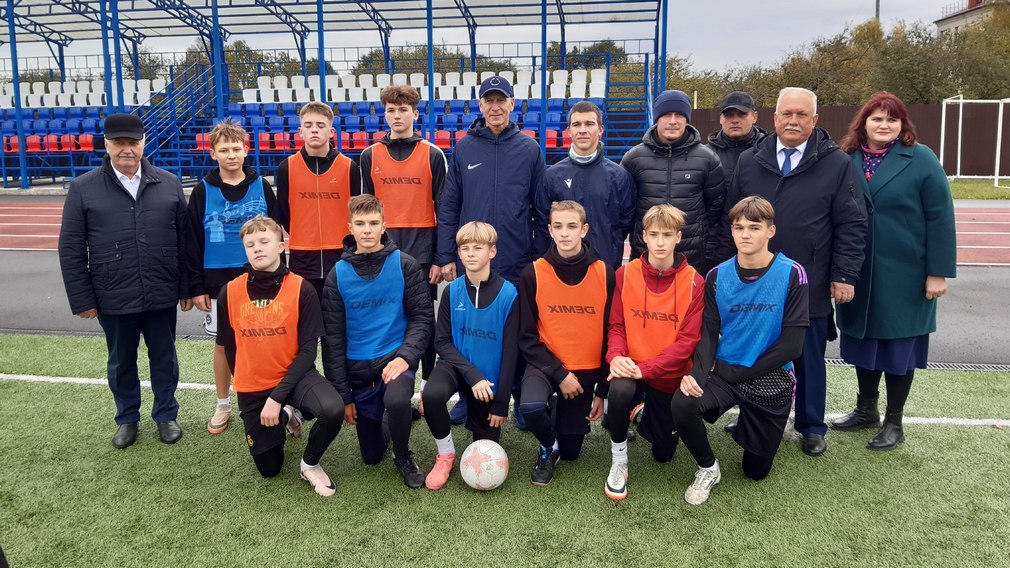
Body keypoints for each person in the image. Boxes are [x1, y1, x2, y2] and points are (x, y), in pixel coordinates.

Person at [722, 87, 867, 457]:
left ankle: (811, 426)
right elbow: (733, 217)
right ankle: (754, 418)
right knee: (757, 349)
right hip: (756, 280)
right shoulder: (751, 161)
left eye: (802, 114)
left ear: (814, 120)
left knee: (808, 354)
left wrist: (844, 274)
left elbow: (852, 222)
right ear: (774, 118)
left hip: (810, 278)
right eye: (787, 113)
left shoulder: (836, 164)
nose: (793, 120)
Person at [832, 92, 957, 450]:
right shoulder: (846, 158)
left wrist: (938, 272)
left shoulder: (921, 158)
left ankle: (894, 422)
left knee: (898, 348)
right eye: (877, 118)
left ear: (903, 124)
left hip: (906, 274)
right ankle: (865, 410)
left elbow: (940, 217)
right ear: (864, 123)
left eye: (892, 119)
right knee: (865, 341)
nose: (884, 125)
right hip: (859, 269)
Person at [58, 113, 191, 449]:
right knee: (120, 362)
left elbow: (185, 241)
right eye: (119, 142)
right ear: (106, 145)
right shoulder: (83, 188)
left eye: (133, 142)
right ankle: (127, 418)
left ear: (144, 144)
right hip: (112, 293)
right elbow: (71, 249)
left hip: (161, 290)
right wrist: (83, 299)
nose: (127, 149)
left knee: (165, 357)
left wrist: (186, 288)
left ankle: (166, 415)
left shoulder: (169, 183)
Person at [672, 196, 809, 506]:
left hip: (770, 373)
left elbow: (792, 346)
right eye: (738, 227)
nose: (745, 234)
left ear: (771, 231)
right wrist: (696, 375)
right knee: (682, 403)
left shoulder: (792, 273)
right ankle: (708, 468)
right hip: (724, 371)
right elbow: (708, 333)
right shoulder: (717, 276)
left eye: (754, 228)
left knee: (755, 472)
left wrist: (737, 372)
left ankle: (763, 424)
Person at [436, 75, 546, 426]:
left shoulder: (529, 148)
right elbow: (449, 204)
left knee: (516, 333)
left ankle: (517, 396)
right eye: (489, 101)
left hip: (515, 258)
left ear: (513, 104)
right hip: (472, 261)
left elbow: (541, 207)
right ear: (480, 105)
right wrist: (446, 255)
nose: (495, 107)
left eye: (502, 100)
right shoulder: (464, 147)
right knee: (469, 330)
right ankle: (468, 395)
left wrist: (538, 257)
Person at [217, 216, 344, 496]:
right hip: (254, 386)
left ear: (281, 246)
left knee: (332, 409)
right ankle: (288, 415)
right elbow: (229, 347)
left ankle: (309, 464)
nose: (257, 248)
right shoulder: (230, 291)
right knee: (269, 468)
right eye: (250, 244)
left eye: (264, 241)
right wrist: (249, 387)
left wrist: (276, 398)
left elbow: (308, 351)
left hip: (296, 376)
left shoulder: (302, 288)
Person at [321, 194, 434, 488]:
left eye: (373, 223)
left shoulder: (405, 265)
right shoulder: (336, 275)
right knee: (371, 456)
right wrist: (344, 396)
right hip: (359, 370)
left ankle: (402, 454)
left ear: (385, 225)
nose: (367, 230)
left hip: (395, 359)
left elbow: (422, 319)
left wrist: (405, 357)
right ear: (350, 227)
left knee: (395, 399)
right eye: (360, 224)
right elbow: (332, 340)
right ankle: (393, 416)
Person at [602, 204, 705, 500]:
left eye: (667, 235)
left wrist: (645, 369)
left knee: (663, 454)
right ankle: (619, 461)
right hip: (631, 367)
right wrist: (616, 356)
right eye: (654, 235)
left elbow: (687, 342)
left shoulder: (694, 281)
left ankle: (643, 412)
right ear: (644, 236)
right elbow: (616, 325)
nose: (660, 242)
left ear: (678, 237)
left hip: (666, 376)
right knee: (619, 390)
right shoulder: (625, 274)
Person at [183, 118, 279, 435]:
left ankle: (277, 400)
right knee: (224, 345)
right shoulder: (202, 191)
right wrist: (196, 286)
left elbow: (278, 232)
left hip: (261, 278)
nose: (231, 155)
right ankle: (223, 403)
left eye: (236, 148)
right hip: (218, 282)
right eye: (224, 150)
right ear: (213, 153)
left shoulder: (261, 186)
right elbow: (192, 241)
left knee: (267, 340)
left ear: (246, 150)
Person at [359, 84, 447, 408]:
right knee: (388, 317)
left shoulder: (432, 154)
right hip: (383, 252)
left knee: (423, 319)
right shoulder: (369, 155)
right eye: (391, 110)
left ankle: (426, 385)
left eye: (403, 110)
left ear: (415, 114)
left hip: (422, 253)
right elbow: (364, 210)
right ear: (385, 114)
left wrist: (439, 257)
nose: (397, 116)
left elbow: (443, 209)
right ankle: (389, 383)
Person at [518, 201, 615, 487]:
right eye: (558, 226)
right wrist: (560, 374)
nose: (564, 233)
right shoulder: (533, 273)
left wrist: (602, 391)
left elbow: (610, 335)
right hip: (546, 365)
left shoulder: (605, 273)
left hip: (585, 372)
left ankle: (560, 422)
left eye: (572, 226)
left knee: (572, 453)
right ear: (549, 230)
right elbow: (526, 337)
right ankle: (548, 447)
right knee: (530, 408)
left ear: (583, 230)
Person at [421, 221, 520, 491]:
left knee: (484, 445)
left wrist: (501, 404)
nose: (471, 254)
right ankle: (445, 455)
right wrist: (472, 374)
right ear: (459, 253)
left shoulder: (509, 294)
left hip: (488, 382)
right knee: (431, 395)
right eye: (465, 249)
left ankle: (481, 419)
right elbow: (441, 342)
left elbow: (511, 354)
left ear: (492, 251)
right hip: (456, 367)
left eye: (478, 248)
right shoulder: (452, 291)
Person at [621, 89, 725, 274]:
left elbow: (715, 209)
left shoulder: (708, 159)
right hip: (645, 255)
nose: (673, 121)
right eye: (666, 114)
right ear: (657, 118)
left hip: (691, 256)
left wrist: (704, 246)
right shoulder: (634, 159)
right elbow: (625, 209)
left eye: (679, 115)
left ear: (687, 119)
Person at [275, 101, 361, 300]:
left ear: (331, 132)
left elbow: (357, 211)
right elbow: (284, 213)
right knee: (307, 311)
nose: (314, 130)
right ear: (300, 131)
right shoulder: (286, 168)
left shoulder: (349, 167)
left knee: (339, 312)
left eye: (321, 125)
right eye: (308, 125)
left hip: (341, 253)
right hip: (302, 254)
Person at [537, 100, 636, 269]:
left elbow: (625, 223)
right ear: (569, 131)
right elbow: (542, 225)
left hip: (605, 268)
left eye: (589, 124)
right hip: (562, 269)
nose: (582, 130)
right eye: (577, 124)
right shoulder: (551, 176)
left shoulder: (619, 176)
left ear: (600, 129)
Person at [706, 91, 767, 187]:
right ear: (721, 119)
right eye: (729, 115)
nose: (735, 120)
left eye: (742, 114)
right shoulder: (706, 155)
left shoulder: (768, 151)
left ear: (754, 117)